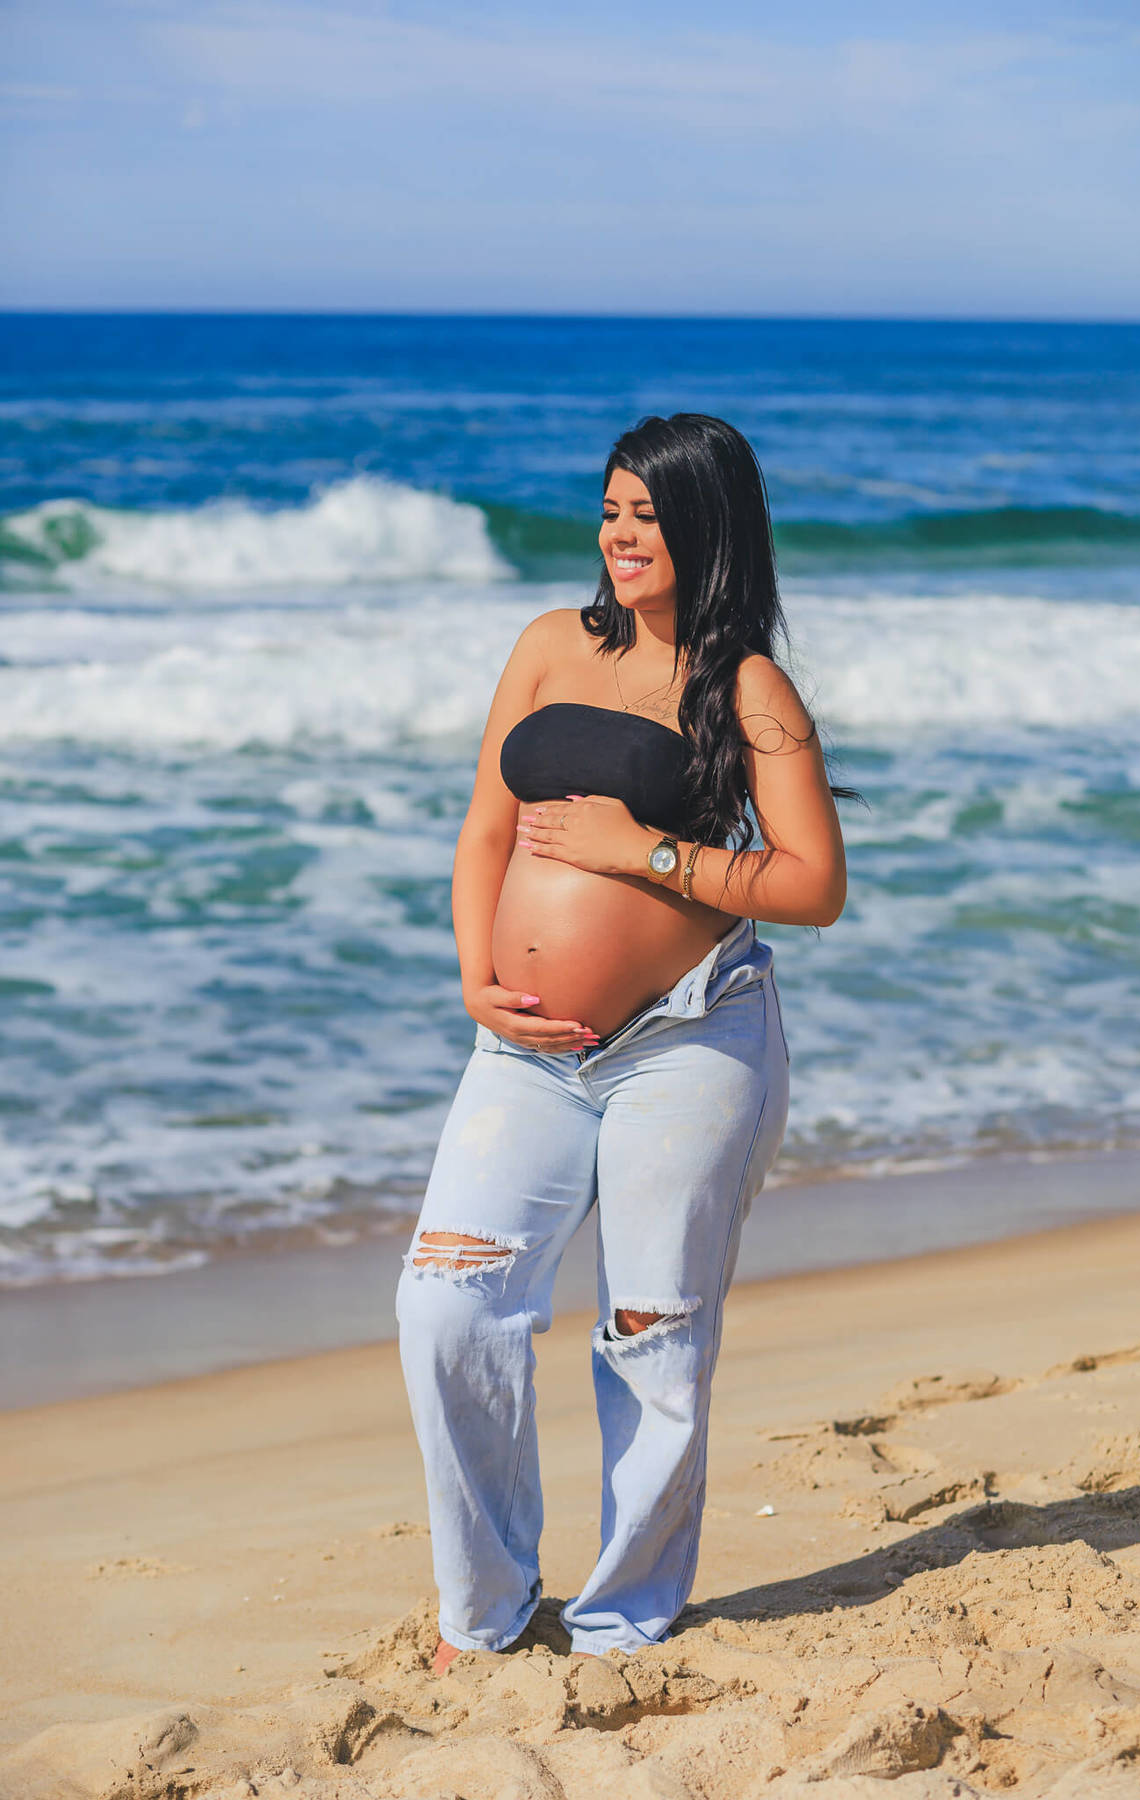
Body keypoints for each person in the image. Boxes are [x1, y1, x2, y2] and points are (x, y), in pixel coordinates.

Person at [395, 412, 852, 1674]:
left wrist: (641, 852)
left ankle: (620, 1622)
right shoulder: (549, 643)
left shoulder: (747, 688)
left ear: (708, 526)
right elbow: (486, 828)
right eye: (610, 512)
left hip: (689, 1040)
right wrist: (476, 977)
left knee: (652, 1335)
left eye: (648, 515)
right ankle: (486, 1611)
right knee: (446, 1304)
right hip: (525, 1051)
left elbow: (814, 883)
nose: (620, 536)